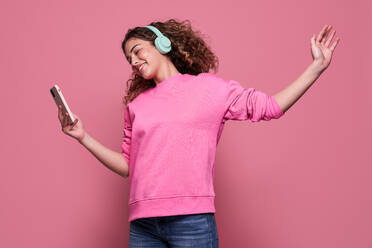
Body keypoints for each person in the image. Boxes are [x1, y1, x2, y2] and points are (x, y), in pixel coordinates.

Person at [57, 18, 340, 248]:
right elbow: (127, 166)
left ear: (162, 44)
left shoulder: (211, 89)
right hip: (143, 225)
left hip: (191, 220)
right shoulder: (136, 106)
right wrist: (83, 136)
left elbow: (271, 107)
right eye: (128, 58)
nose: (133, 61)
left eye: (137, 50)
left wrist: (316, 68)